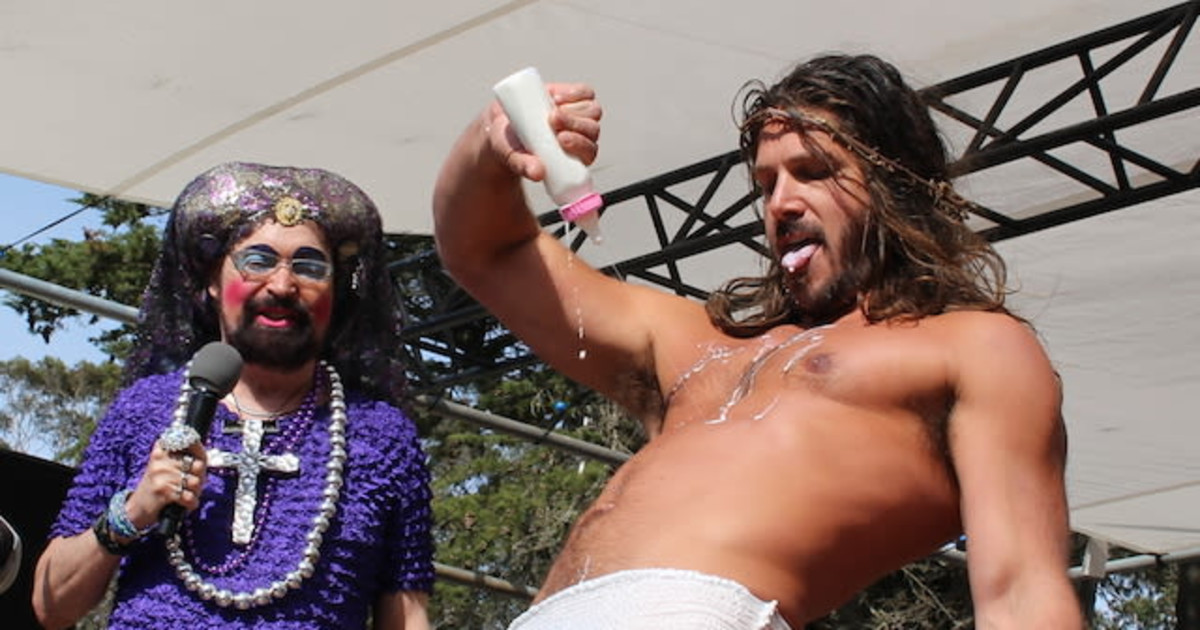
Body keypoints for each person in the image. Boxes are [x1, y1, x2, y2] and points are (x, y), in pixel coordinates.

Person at [433, 54, 1083, 628]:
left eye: (813, 171)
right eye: (767, 183)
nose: (780, 204)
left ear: (895, 185)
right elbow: (485, 252)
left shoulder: (974, 345)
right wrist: (492, 144)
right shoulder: (699, 342)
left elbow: (1023, 598)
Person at [32, 162, 434, 629]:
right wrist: (134, 511)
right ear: (212, 281)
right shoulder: (143, 410)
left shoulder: (384, 439)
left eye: (309, 267)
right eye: (258, 261)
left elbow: (407, 615)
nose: (282, 286)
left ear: (336, 292)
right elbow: (51, 606)